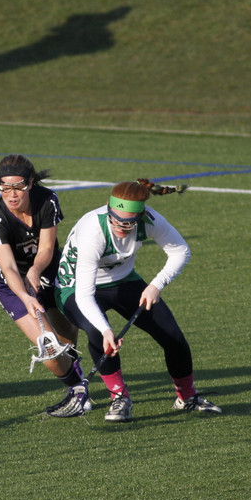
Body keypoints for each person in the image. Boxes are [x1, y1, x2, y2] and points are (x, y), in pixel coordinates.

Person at [54, 179, 221, 422]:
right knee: (99, 335)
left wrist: (156, 285)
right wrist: (106, 329)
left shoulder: (150, 220)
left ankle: (187, 397)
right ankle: (120, 398)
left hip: (123, 281)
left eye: (129, 222)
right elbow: (84, 295)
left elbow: (180, 250)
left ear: (140, 216)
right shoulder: (93, 230)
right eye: (116, 219)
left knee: (173, 337)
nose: (121, 226)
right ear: (109, 210)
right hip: (75, 287)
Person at [0, 154, 87, 412]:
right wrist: (26, 296)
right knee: (50, 347)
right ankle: (77, 389)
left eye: (18, 186)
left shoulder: (47, 200)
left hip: (49, 271)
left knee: (67, 334)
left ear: (30, 184)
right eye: (4, 186)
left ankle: (73, 367)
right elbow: (7, 267)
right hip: (10, 285)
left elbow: (47, 247)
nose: (11, 193)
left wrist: (35, 271)